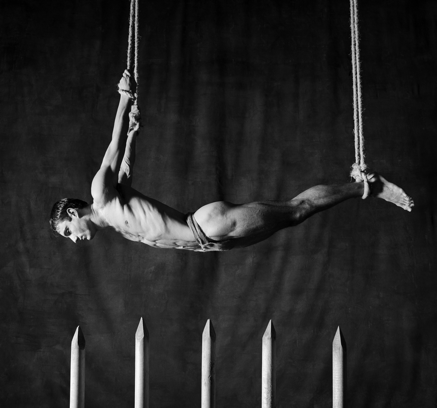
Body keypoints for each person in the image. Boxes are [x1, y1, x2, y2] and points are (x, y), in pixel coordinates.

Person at [49, 71, 414, 252]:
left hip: (209, 225)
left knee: (296, 211)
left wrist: (124, 100)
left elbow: (111, 151)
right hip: (211, 242)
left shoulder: (101, 196)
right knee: (293, 216)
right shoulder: (114, 214)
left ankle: (365, 186)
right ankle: (361, 187)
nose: (74, 239)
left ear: (72, 213)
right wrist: (134, 133)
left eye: (68, 231)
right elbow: (126, 170)